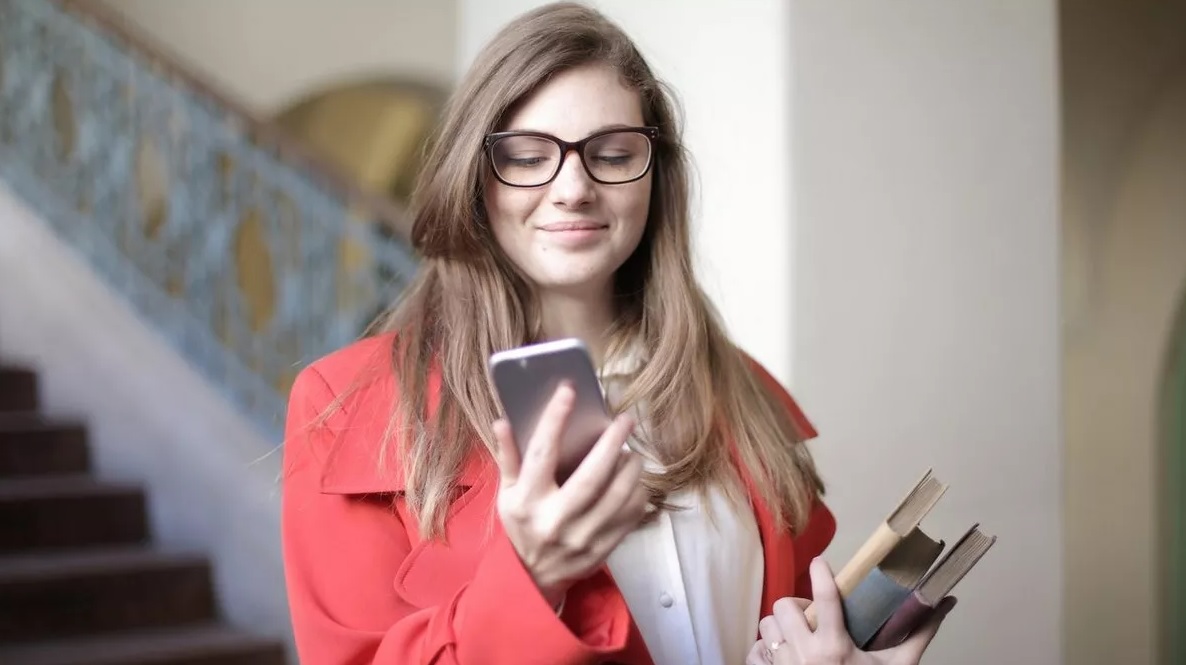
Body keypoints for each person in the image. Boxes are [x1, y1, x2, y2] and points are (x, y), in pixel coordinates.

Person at [280, 3, 954, 664]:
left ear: (655, 175)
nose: (573, 187)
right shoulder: (348, 409)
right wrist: (530, 578)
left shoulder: (744, 394)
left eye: (611, 152)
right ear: (474, 176)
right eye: (525, 154)